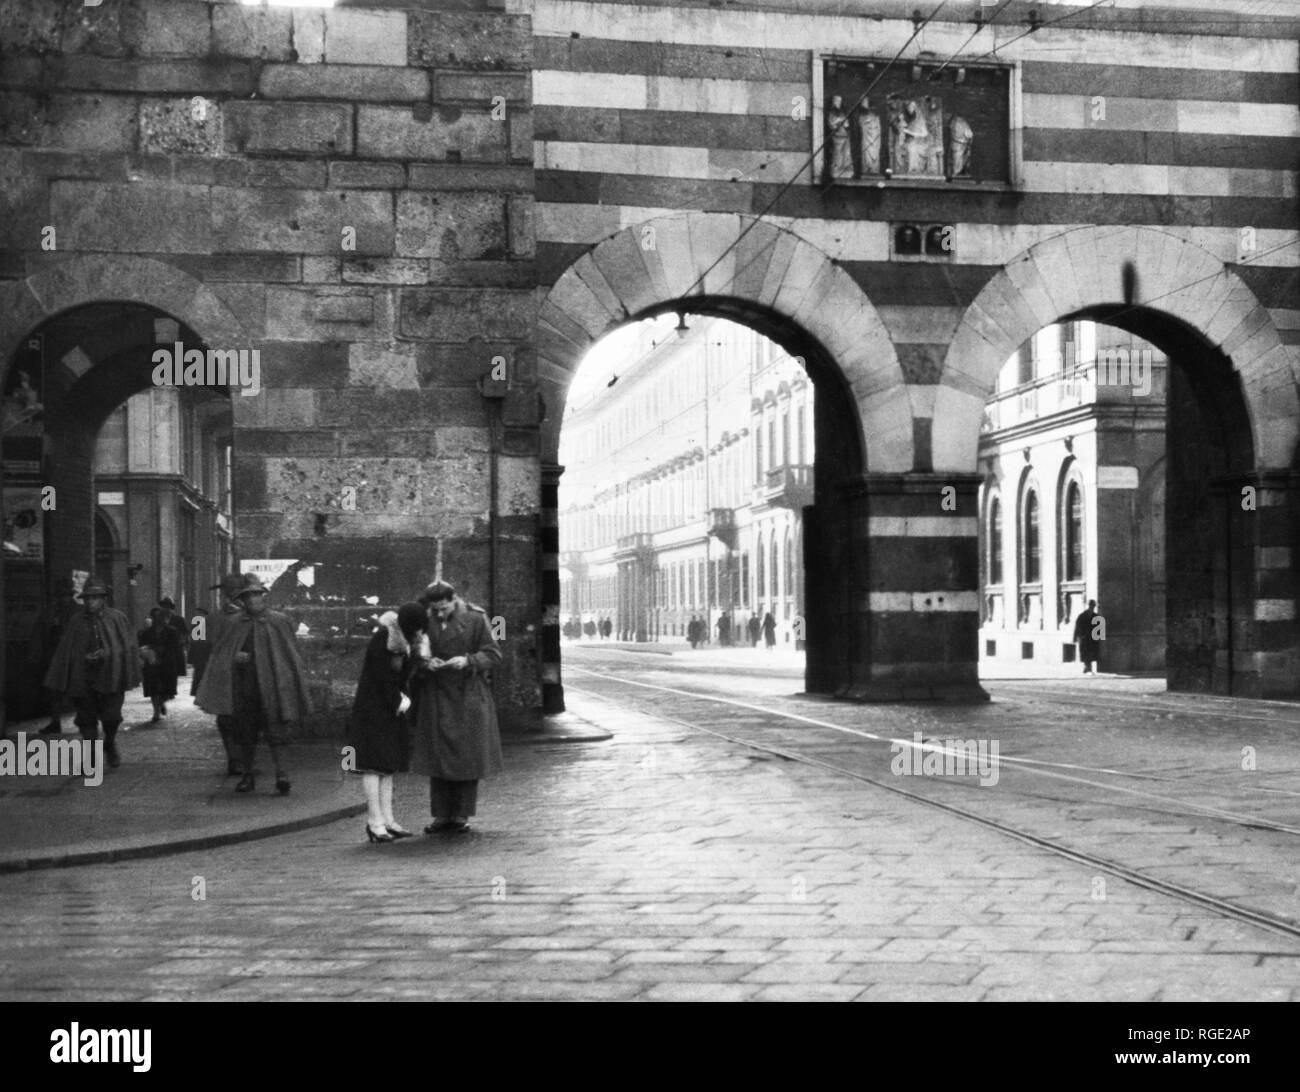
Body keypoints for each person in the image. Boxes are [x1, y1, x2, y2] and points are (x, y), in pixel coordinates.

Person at [196, 573, 311, 794]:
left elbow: (290, 654)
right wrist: (234, 658)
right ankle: (247, 775)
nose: (253, 601)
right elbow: (220, 653)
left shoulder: (280, 621)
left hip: (273, 689)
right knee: (245, 736)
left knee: (277, 734)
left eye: (257, 596)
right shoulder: (232, 623)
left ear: (264, 597)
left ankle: (282, 775)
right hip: (244, 690)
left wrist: (287, 681)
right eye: (248, 598)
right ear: (242, 600)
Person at [412, 580, 503, 834]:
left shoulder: (476, 618)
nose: (439, 614)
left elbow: (494, 654)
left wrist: (468, 660)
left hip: (468, 697)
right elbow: (414, 651)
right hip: (436, 696)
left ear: (454, 600)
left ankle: (461, 814)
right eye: (435, 610)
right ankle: (441, 815)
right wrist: (424, 663)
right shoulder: (424, 619)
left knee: (466, 757)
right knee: (438, 755)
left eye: (444, 608)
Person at [348, 602, 428, 843]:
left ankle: (388, 820)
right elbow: (381, 677)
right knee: (373, 765)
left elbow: (403, 675)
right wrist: (398, 700)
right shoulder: (383, 639)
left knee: (388, 766)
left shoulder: (401, 641)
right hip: (374, 711)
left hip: (390, 710)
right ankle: (374, 822)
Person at [42, 577, 139, 768]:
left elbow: (127, 645)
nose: (90, 602)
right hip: (83, 677)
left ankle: (109, 743)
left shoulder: (116, 618)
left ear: (103, 599)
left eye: (94, 598)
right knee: (86, 719)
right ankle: (91, 756)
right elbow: (67, 648)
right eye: (87, 598)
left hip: (109, 676)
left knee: (111, 717)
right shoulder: (76, 621)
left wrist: (107, 653)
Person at [31, 578, 78, 735]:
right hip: (54, 656)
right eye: (61, 595)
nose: (63, 598)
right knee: (53, 690)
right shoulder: (51, 611)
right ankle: (55, 721)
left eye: (66, 595)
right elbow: (41, 632)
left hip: (73, 657)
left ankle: (84, 719)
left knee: (78, 689)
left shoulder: (77, 611)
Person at [138, 606, 183, 722]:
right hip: (152, 664)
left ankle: (162, 701)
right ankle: (156, 712)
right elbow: (141, 646)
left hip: (167, 664)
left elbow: (176, 648)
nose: (159, 620)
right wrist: (147, 652)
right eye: (156, 617)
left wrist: (179, 665)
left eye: (161, 617)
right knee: (153, 688)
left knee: (167, 688)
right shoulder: (147, 632)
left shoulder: (172, 631)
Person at [1073, 599, 1103, 675]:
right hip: (1084, 638)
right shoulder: (1082, 616)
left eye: (1093, 606)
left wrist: (1100, 637)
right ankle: (1088, 668)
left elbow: (1100, 628)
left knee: (1092, 654)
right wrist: (1075, 637)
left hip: (1093, 638)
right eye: (1091, 606)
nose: (1092, 607)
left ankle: (1087, 668)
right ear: (1089, 606)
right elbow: (1077, 627)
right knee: (1085, 653)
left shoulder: (1096, 616)